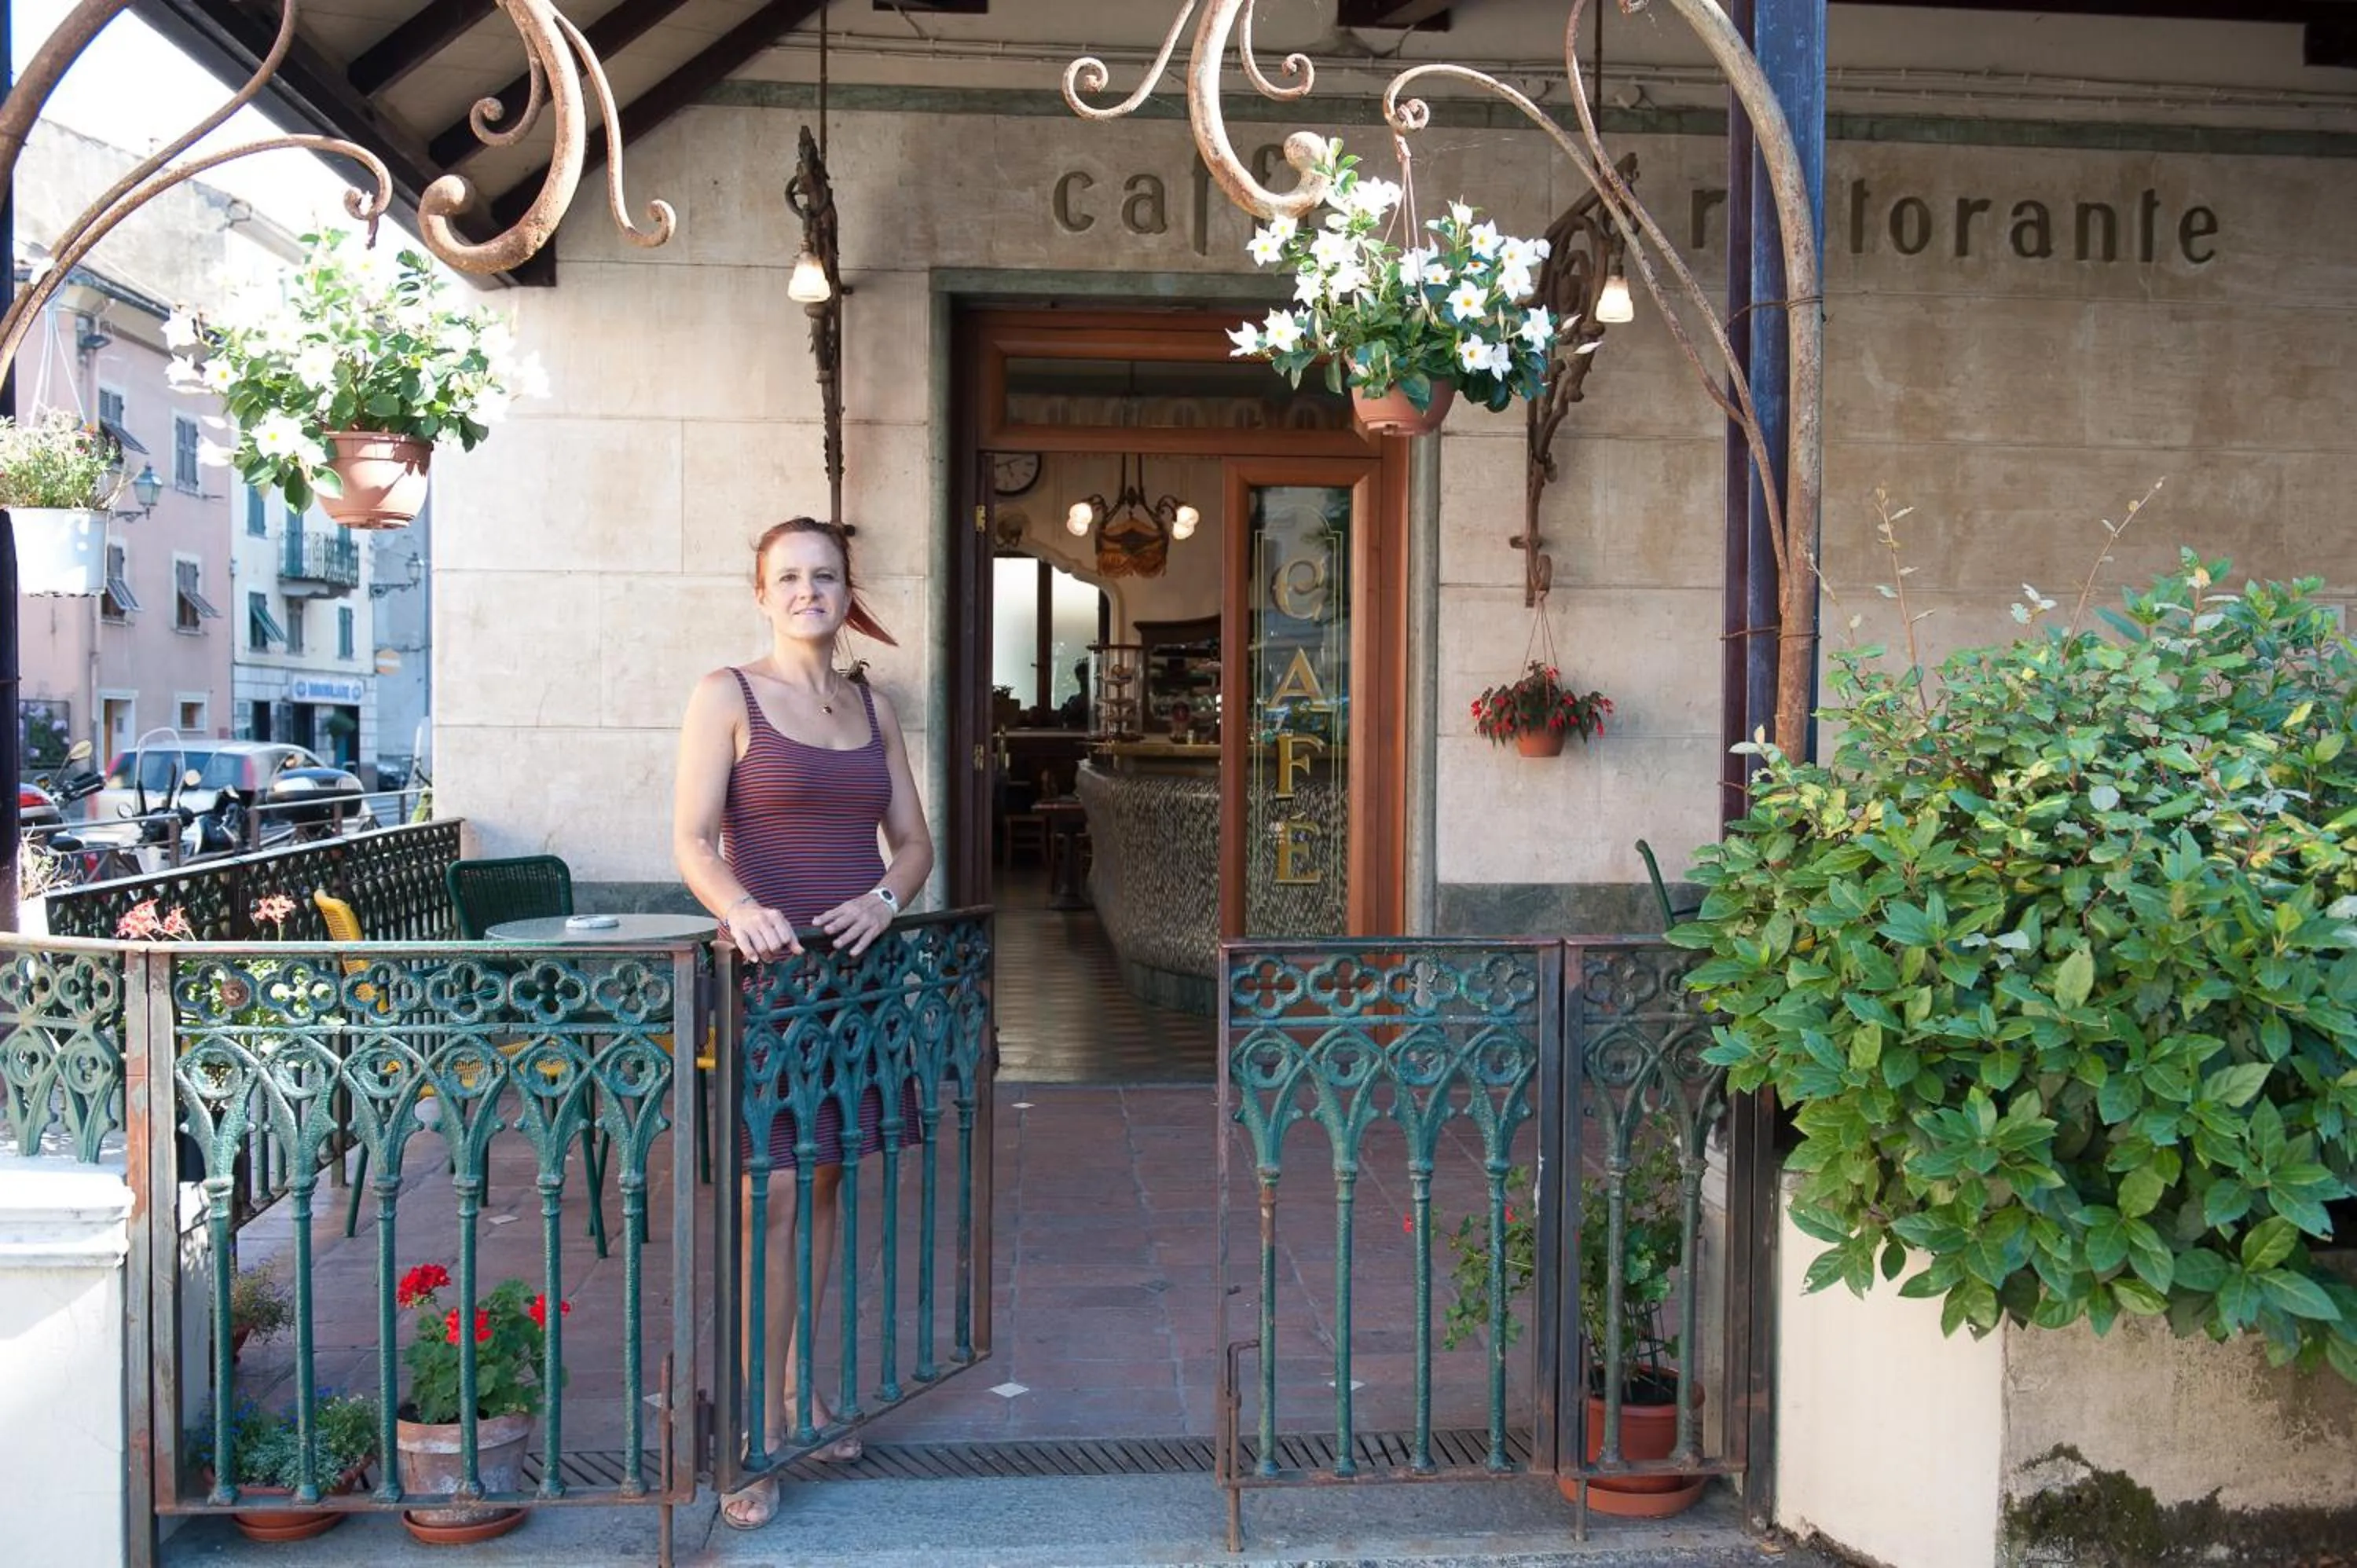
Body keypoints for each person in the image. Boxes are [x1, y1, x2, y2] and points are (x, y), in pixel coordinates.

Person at [672, 515, 934, 1530]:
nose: (806, 592)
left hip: (855, 986)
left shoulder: (872, 706)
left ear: (845, 589)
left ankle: (797, 1392)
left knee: (824, 1184)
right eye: (787, 577)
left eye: (823, 577)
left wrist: (888, 899)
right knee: (770, 1196)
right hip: (773, 986)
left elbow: (912, 841)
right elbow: (694, 839)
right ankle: (748, 1428)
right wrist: (737, 907)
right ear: (761, 591)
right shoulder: (727, 696)